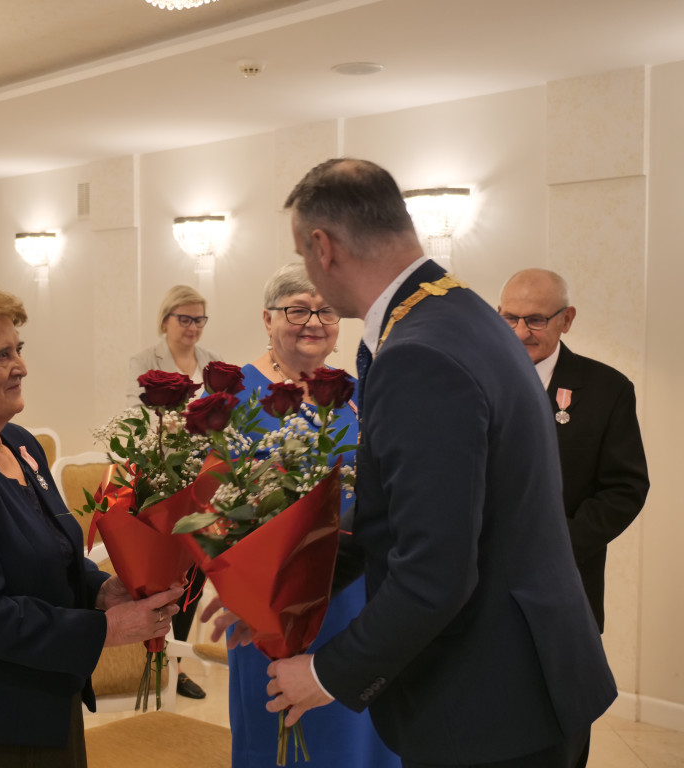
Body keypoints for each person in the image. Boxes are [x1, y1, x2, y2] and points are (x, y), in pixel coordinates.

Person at [207, 159, 617, 768]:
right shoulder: (461, 313)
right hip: (523, 676)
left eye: (305, 252)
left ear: (324, 247)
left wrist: (324, 673)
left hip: (489, 696)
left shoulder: (418, 352)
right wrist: (279, 588)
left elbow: (435, 574)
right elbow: (389, 519)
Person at [0, 275, 183, 767]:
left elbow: (51, 550)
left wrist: (100, 589)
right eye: (1, 355)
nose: (21, 366)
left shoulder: (19, 444)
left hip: (44, 698)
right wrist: (104, 630)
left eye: (18, 349)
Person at [228, 262, 399, 768]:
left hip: (357, 592)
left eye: (325, 310)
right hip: (275, 595)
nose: (313, 321)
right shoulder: (234, 393)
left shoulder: (355, 391)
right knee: (281, 731)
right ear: (267, 318)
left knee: (357, 731)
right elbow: (214, 499)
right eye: (297, 309)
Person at [499, 268, 648, 767]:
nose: (521, 333)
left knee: (559, 737)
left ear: (567, 319)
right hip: (484, 597)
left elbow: (625, 488)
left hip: (566, 592)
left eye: (536, 320)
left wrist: (554, 547)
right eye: (510, 318)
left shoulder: (606, 389)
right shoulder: (473, 380)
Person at [126, 284, 219, 699]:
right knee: (164, 576)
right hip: (161, 479)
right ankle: (150, 658)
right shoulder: (144, 361)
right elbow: (135, 418)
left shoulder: (213, 364)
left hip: (202, 481)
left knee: (195, 575)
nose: (193, 327)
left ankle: (176, 666)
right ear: (165, 320)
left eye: (199, 319)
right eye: (185, 319)